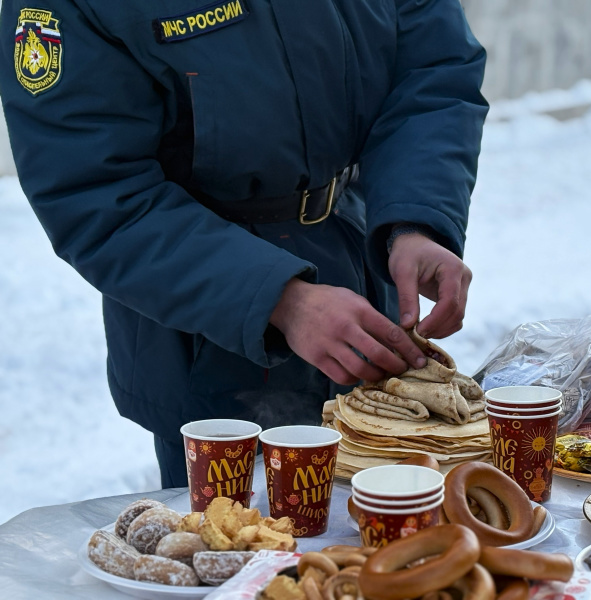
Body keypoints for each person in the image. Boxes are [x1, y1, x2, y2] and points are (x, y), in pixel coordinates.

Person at [0, 0, 488, 487]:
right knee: (236, 550)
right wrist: (279, 299)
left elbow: (432, 71)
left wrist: (416, 219)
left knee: (389, 547)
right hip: (208, 341)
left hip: (358, 277)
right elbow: (94, 192)